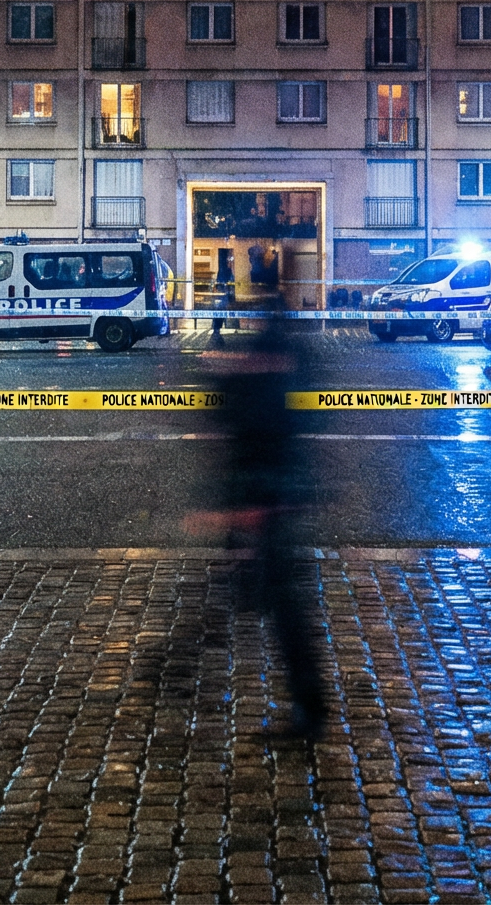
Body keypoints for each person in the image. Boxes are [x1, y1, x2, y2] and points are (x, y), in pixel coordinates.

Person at [203, 310, 327, 738]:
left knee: (285, 603)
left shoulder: (274, 358)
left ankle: (311, 709)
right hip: (268, 494)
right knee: (278, 597)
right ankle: (310, 704)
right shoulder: (281, 353)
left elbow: (259, 420)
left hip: (269, 496)